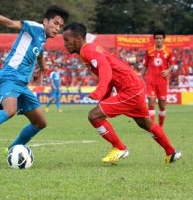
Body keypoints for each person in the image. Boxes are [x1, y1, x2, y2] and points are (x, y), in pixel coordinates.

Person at [0, 3, 69, 167]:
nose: (58, 28)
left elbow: (39, 52)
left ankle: (13, 148)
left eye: (61, 26)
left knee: (40, 123)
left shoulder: (42, 39)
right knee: (10, 110)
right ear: (45, 21)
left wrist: (42, 65)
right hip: (9, 77)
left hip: (22, 85)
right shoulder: (33, 27)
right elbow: (9, 23)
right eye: (55, 23)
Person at [62, 22, 181, 164]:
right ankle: (171, 152)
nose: (65, 44)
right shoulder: (88, 50)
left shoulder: (88, 50)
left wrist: (99, 91)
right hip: (134, 87)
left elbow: (105, 69)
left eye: (67, 40)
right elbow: (110, 76)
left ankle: (119, 148)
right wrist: (104, 97)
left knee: (94, 116)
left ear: (78, 38)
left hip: (130, 89)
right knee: (146, 124)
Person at [141, 29, 175, 127]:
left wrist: (168, 71)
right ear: (154, 39)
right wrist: (140, 76)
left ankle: (160, 126)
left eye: (160, 38)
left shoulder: (168, 51)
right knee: (151, 103)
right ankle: (152, 126)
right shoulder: (149, 51)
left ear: (164, 39)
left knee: (162, 104)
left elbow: (172, 64)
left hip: (162, 81)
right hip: (150, 80)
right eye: (157, 38)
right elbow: (145, 65)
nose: (158, 40)